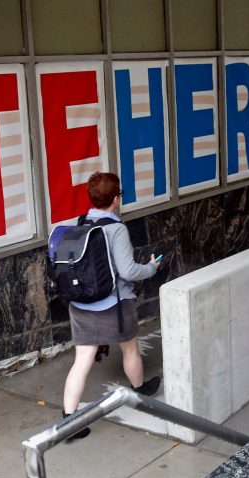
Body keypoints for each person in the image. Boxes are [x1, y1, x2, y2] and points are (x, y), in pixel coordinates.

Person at [62, 171, 161, 440]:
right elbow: (128, 271)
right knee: (130, 349)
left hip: (81, 304)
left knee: (82, 360)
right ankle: (139, 389)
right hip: (114, 305)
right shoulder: (116, 229)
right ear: (115, 199)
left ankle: (68, 421)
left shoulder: (78, 223)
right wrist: (151, 268)